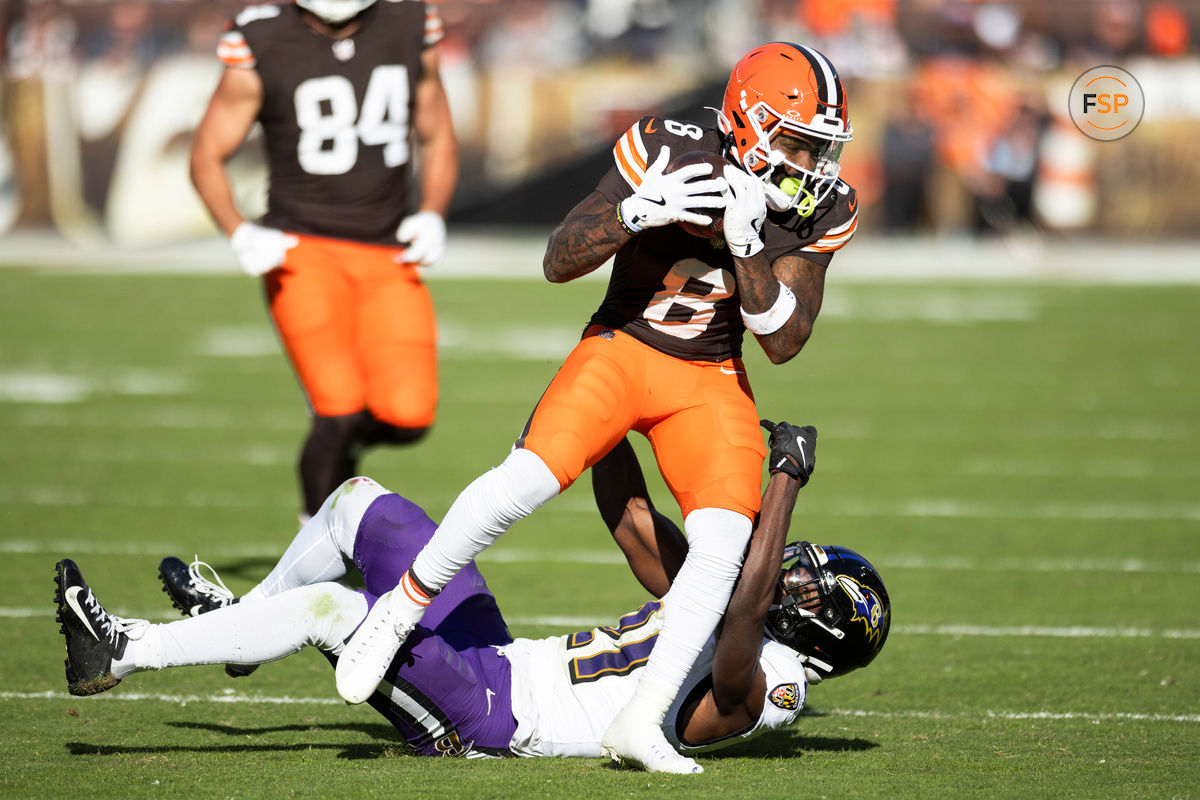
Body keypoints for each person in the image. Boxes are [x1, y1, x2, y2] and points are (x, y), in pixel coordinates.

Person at [333, 42, 859, 773]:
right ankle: (397, 612)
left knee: (719, 546)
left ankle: (642, 722)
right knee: (526, 480)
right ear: (748, 122)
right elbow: (558, 259)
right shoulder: (667, 148)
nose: (814, 164)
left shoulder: (824, 208)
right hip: (623, 347)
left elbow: (785, 341)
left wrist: (745, 249)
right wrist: (639, 214)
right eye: (801, 141)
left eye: (820, 147)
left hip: (709, 374)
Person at [53, 422, 891, 767]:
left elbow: (743, 617)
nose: (788, 576)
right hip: (498, 660)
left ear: (826, 638)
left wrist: (783, 482)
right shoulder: (723, 597)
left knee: (340, 611)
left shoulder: (774, 684)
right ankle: (238, 619)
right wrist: (626, 407)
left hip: (492, 717)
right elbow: (633, 522)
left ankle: (124, 648)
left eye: (808, 587)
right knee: (362, 506)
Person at [189, 0, 458, 522]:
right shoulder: (261, 35)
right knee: (338, 409)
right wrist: (238, 230)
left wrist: (432, 213)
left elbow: (438, 131)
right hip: (301, 250)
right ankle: (312, 547)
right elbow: (207, 153)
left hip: (387, 250)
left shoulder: (408, 21)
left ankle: (343, 463)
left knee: (409, 416)